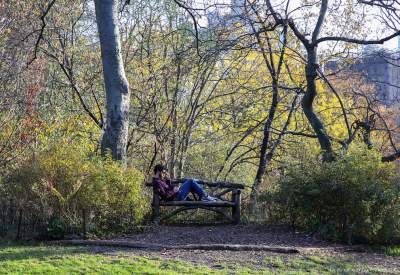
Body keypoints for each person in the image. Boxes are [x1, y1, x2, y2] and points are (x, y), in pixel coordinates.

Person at [152, 164, 217, 201]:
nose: (164, 174)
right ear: (158, 171)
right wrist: (174, 191)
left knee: (191, 180)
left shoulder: (161, 180)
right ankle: (204, 196)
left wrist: (168, 180)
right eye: (163, 172)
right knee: (190, 181)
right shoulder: (157, 182)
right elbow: (165, 196)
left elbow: (168, 188)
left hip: (177, 194)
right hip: (177, 197)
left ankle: (203, 196)